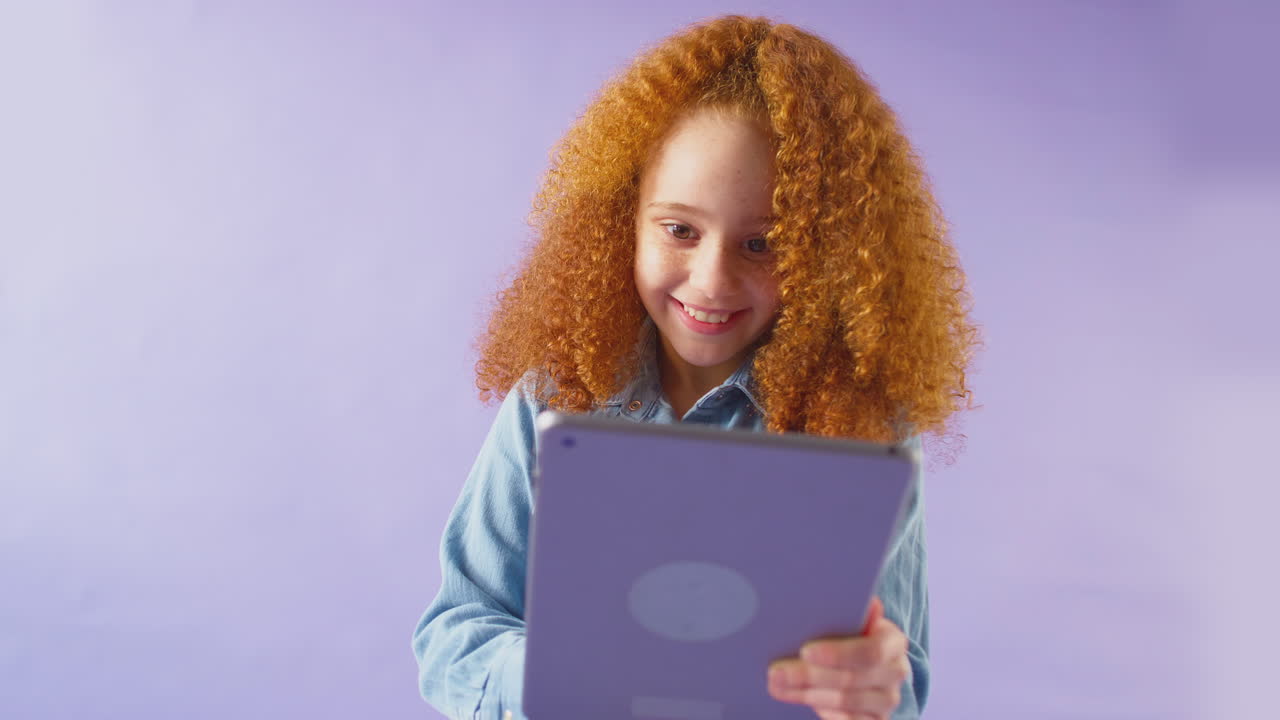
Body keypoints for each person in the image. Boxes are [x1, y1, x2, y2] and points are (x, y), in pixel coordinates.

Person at [411, 14, 979, 720]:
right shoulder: (553, 397)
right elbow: (455, 633)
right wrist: (559, 673)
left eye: (762, 245)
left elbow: (903, 686)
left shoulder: (865, 430)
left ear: (828, 254)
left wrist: (873, 688)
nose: (710, 282)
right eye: (680, 230)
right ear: (624, 218)